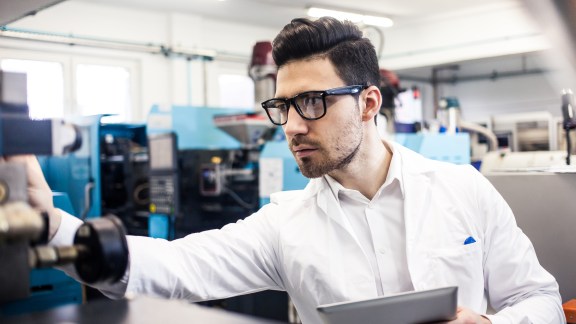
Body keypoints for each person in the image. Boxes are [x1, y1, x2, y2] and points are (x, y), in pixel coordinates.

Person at [18, 17, 564, 324]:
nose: (292, 126)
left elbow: (539, 300)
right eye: (282, 106)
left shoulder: (462, 188)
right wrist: (51, 226)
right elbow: (175, 268)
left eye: (312, 102)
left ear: (370, 103)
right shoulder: (285, 224)